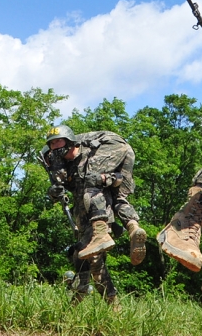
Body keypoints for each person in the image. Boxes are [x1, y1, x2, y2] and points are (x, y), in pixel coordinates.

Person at [41, 124, 146, 303]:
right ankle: (133, 228)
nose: (55, 147)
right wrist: (55, 191)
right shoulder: (67, 166)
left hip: (114, 150)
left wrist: (104, 179)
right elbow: (68, 187)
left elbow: (106, 179)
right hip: (90, 215)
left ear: (69, 141)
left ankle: (101, 233)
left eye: (58, 142)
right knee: (90, 260)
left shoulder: (90, 153)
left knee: (93, 180)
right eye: (51, 144)